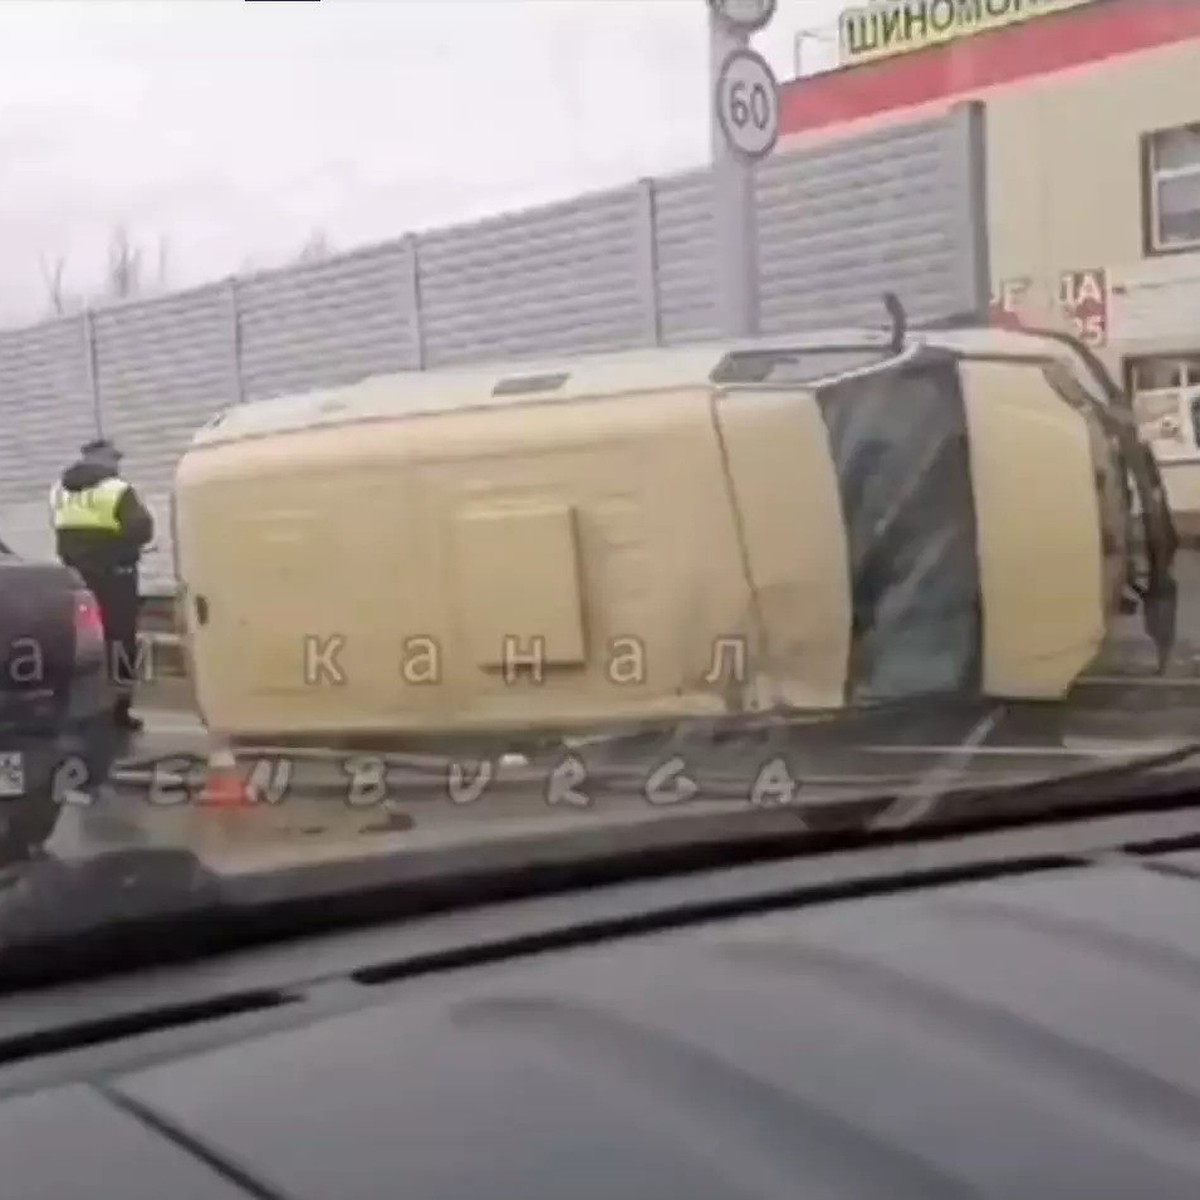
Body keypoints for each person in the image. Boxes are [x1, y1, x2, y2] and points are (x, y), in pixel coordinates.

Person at [51, 438, 155, 732]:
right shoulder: (117, 490)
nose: (117, 465)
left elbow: (63, 531)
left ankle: (79, 710)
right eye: (115, 459)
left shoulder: (60, 490)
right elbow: (142, 529)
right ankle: (120, 711)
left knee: (82, 643)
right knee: (121, 643)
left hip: (76, 579)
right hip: (115, 577)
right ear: (105, 460)